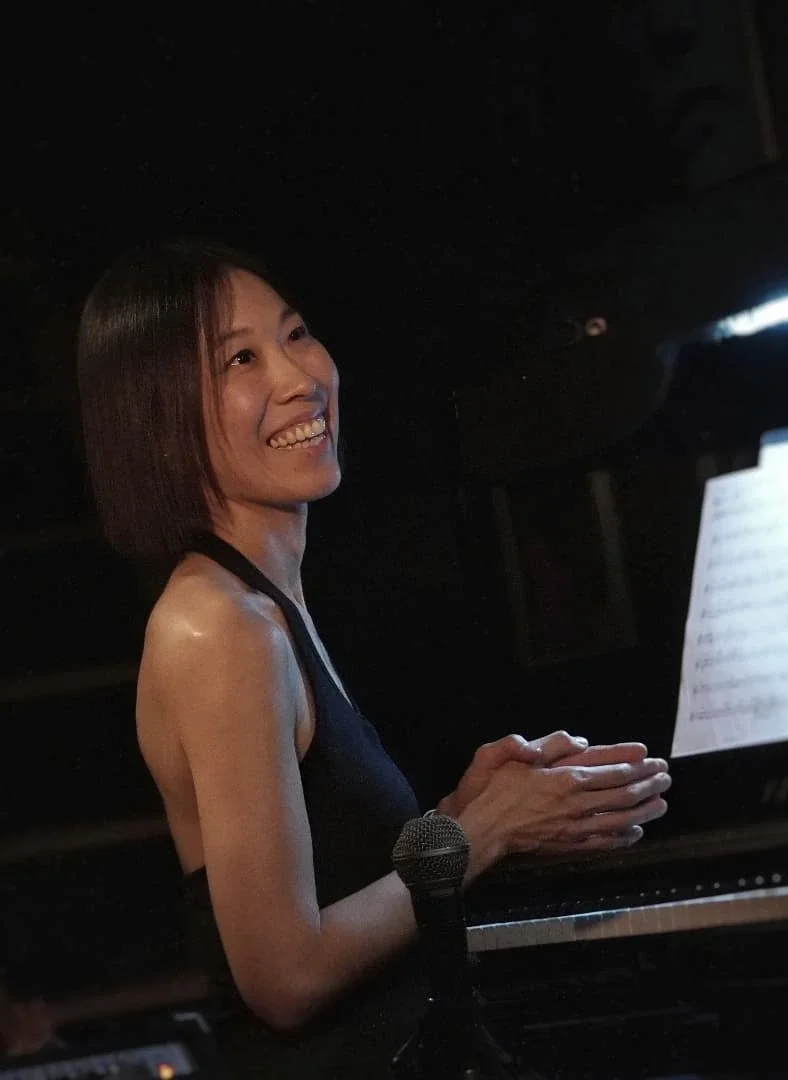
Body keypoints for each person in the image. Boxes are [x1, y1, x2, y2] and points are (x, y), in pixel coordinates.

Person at [74, 237, 671, 1078]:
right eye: (241, 358)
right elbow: (285, 977)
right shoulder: (219, 629)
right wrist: (481, 834)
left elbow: (334, 884)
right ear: (157, 414)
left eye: (295, 333)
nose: (298, 378)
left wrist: (466, 810)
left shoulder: (265, 605)